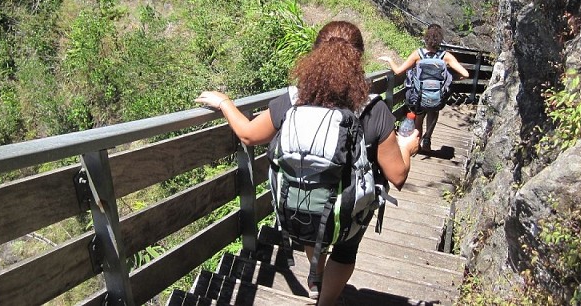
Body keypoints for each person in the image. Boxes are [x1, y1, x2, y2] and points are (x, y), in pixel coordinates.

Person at [196, 21, 419, 306]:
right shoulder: (374, 110)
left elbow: (248, 135)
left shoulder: (292, 101)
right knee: (345, 248)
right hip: (349, 213)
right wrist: (407, 147)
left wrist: (225, 103)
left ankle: (315, 275)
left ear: (314, 56)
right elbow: (397, 176)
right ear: (358, 59)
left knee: (315, 212)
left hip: (301, 207)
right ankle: (325, 301)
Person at [378, 23, 469, 151]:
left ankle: (417, 145)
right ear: (440, 40)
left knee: (419, 120)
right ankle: (428, 139)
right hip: (437, 96)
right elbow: (465, 74)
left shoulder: (418, 54)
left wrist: (389, 60)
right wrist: (450, 79)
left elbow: (398, 71)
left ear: (426, 38)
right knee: (434, 112)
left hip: (419, 97)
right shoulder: (445, 56)